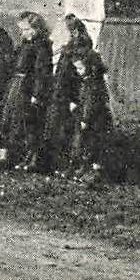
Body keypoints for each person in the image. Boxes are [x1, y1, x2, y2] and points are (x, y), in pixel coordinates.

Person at [0, 12, 52, 170]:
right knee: (12, 120)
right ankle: (15, 156)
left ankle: (31, 158)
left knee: (28, 123)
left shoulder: (42, 46)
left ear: (36, 28)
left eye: (27, 29)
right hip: (17, 85)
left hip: (28, 87)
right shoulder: (25, 44)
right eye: (22, 30)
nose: (23, 33)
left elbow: (41, 73)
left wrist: (37, 94)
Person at [43, 16, 92, 175]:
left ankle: (67, 165)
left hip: (69, 97)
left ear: (73, 32)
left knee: (67, 130)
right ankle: (57, 163)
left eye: (61, 31)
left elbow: (77, 78)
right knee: (57, 128)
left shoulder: (78, 50)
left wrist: (73, 99)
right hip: (60, 94)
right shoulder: (67, 49)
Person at [69, 47, 112, 185]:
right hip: (92, 119)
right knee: (86, 144)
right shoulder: (89, 82)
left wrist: (85, 119)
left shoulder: (92, 84)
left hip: (94, 121)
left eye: (80, 68)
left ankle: (93, 172)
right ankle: (86, 169)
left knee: (91, 145)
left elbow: (90, 104)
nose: (78, 72)